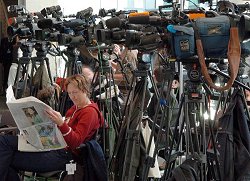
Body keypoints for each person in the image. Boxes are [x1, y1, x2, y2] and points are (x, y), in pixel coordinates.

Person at [0, 74, 104, 180]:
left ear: (85, 90)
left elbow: (75, 142)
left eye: (75, 92)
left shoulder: (89, 112)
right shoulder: (75, 108)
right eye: (70, 93)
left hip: (63, 156)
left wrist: (61, 124)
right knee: (4, 146)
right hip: (53, 147)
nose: (73, 96)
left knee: (4, 158)